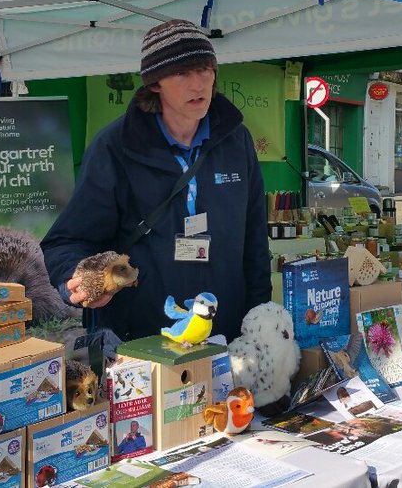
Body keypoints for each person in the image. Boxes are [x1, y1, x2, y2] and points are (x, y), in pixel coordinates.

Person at [41, 19, 271, 341]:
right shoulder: (115, 147)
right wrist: (77, 278)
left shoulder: (237, 140)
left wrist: (259, 320)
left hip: (226, 334)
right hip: (143, 338)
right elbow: (65, 241)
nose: (198, 84)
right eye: (182, 73)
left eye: (205, 69)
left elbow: (255, 241)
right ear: (154, 83)